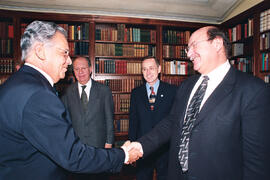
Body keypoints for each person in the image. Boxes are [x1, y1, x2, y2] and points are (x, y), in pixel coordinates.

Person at [0, 20, 141, 180]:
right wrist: (123, 155)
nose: (68, 61)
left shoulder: (14, 84)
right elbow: (73, 156)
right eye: (64, 53)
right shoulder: (39, 95)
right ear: (40, 51)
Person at [127, 26, 270, 180]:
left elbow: (257, 162)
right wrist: (141, 145)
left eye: (194, 45)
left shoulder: (253, 90)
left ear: (217, 43)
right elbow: (172, 122)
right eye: (188, 49)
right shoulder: (186, 86)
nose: (188, 54)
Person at [61, 56, 114, 180]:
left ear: (90, 69)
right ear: (73, 71)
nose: (80, 72)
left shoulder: (104, 90)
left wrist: (109, 145)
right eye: (77, 69)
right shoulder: (67, 92)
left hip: (99, 148)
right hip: (76, 149)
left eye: (83, 68)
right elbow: (65, 122)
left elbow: (109, 120)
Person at [128, 56, 177, 180]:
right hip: (142, 147)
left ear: (159, 69)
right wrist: (132, 145)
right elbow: (133, 121)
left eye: (151, 68)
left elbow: (175, 120)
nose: (148, 72)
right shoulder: (136, 93)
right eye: (144, 69)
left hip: (165, 147)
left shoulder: (172, 91)